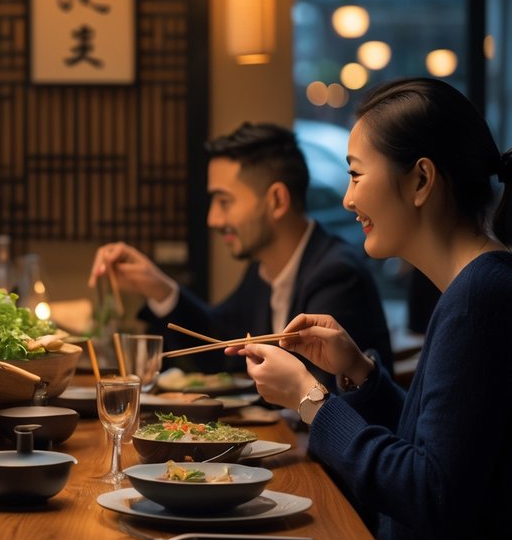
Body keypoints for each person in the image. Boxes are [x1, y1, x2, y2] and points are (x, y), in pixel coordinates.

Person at [231, 79, 512, 540]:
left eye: (357, 174)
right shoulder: (475, 288)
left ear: (421, 180)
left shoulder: (482, 297)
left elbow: (431, 496)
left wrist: (311, 400)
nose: (348, 198)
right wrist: (357, 372)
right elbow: (441, 450)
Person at [88, 122, 392, 383]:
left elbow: (321, 396)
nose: (213, 220)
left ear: (276, 200)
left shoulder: (336, 276)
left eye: (224, 201)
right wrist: (158, 288)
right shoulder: (264, 268)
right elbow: (221, 346)